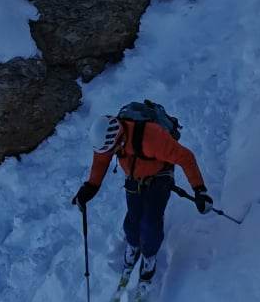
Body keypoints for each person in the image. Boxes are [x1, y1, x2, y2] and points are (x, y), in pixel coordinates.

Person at [73, 101, 212, 281]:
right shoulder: (106, 139)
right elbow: (100, 161)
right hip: (134, 177)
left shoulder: (151, 138)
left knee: (150, 223)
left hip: (160, 176)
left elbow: (186, 157)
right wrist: (90, 188)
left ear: (119, 140)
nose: (109, 154)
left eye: (112, 151)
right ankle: (133, 245)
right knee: (132, 220)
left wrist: (199, 190)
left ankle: (149, 256)